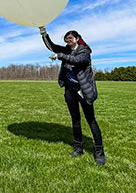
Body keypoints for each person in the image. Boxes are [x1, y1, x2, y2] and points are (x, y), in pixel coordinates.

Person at [39, 27, 106, 166]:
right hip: (70, 90)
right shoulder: (66, 50)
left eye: (70, 38)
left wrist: (60, 56)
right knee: (75, 119)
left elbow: (78, 60)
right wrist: (43, 33)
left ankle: (99, 153)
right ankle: (78, 148)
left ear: (76, 38)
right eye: (66, 39)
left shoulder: (84, 50)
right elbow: (52, 47)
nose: (68, 41)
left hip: (84, 90)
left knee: (91, 120)